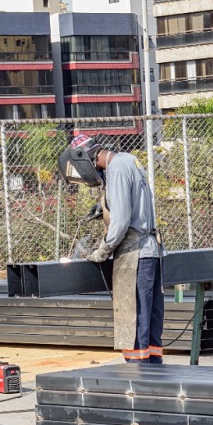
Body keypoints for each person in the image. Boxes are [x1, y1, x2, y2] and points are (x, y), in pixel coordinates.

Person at [58, 134, 164, 364]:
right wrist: (103, 206)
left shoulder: (116, 169)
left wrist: (103, 250)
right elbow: (131, 201)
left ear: (85, 160)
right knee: (149, 317)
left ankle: (138, 371)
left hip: (135, 255)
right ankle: (154, 371)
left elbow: (121, 221)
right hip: (150, 252)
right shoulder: (128, 159)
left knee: (134, 317)